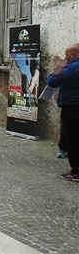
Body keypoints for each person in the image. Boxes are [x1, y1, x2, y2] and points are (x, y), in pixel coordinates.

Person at [47, 44, 79, 181]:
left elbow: (53, 81)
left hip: (72, 107)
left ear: (73, 55)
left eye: (66, 55)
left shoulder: (70, 68)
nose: (65, 57)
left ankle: (76, 170)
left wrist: (59, 69)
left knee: (72, 139)